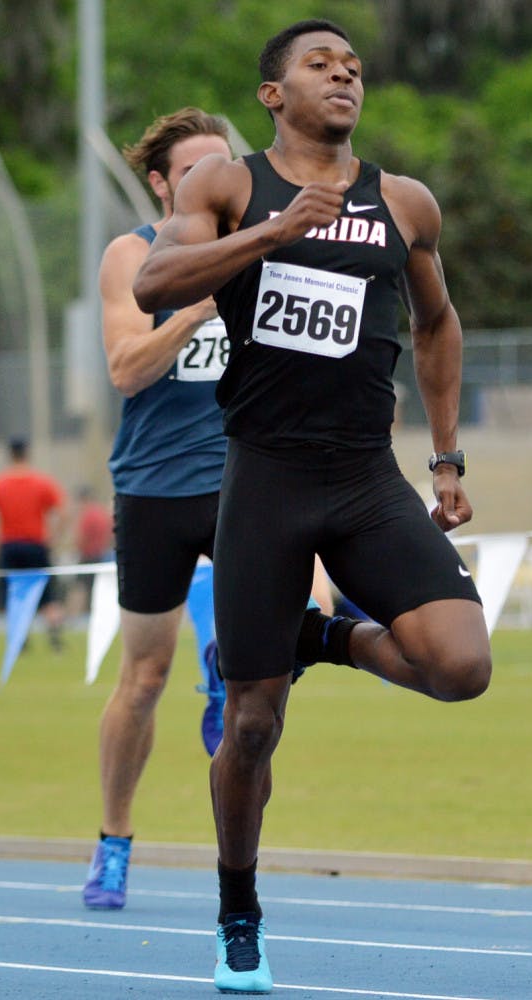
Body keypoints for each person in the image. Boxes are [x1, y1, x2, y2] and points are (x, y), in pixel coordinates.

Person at [134, 20, 491, 994]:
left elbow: (437, 322)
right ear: (271, 95)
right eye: (318, 63)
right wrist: (272, 232)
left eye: (354, 67)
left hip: (365, 476)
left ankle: (321, 641)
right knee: (250, 726)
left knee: (461, 666)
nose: (342, 74)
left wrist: (446, 458)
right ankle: (237, 910)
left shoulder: (401, 203)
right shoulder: (228, 186)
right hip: (264, 478)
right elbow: (154, 279)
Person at [82, 106, 338, 914]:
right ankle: (114, 842)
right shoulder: (132, 254)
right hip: (156, 485)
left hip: (247, 474)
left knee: (304, 614)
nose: (212, 179)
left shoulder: (259, 243)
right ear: (161, 184)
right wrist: (195, 302)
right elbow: (126, 369)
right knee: (142, 675)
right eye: (192, 170)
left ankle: (228, 667)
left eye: (220, 165)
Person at [0, 436, 68, 650]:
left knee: (14, 594)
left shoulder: (2, 484)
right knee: (47, 595)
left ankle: (21, 639)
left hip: (10, 546)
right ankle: (55, 640)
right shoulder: (41, 482)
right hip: (36, 545)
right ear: (27, 454)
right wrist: (53, 538)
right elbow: (62, 513)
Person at [69, 485, 114, 613]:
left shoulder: (87, 515)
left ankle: (76, 615)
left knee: (79, 588)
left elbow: (81, 537)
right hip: (100, 555)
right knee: (94, 588)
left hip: (88, 556)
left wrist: (77, 549)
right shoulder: (101, 513)